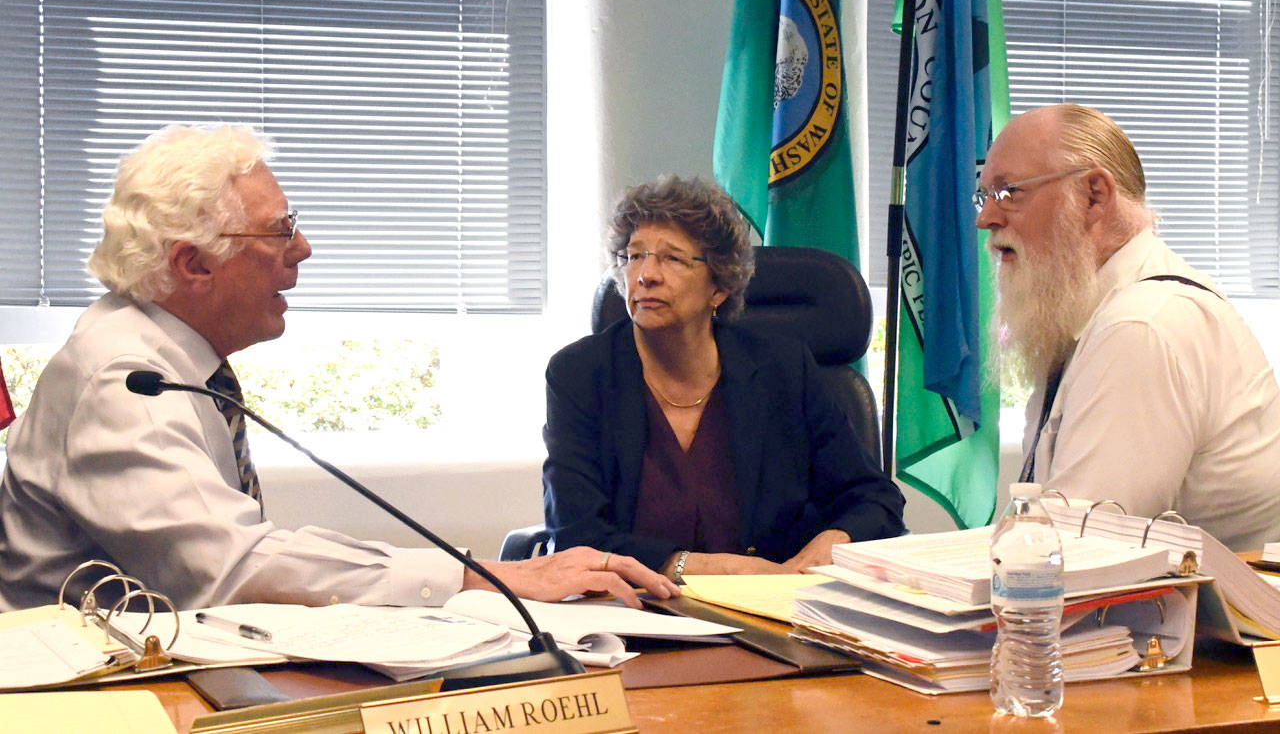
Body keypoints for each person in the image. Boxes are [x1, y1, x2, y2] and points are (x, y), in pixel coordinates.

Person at [0, 124, 678, 611]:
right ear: (193, 264)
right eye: (278, 230)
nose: (304, 248)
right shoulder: (124, 380)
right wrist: (487, 577)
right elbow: (231, 566)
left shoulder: (168, 357)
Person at [542, 176, 905, 580]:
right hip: (632, 612)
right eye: (634, 257)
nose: (646, 275)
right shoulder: (580, 375)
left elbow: (875, 500)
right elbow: (576, 535)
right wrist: (697, 567)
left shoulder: (782, 369)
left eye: (672, 259)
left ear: (719, 286)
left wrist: (836, 540)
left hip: (775, 609)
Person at [977, 103, 1280, 550]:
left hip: (1232, 620)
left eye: (1010, 192)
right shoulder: (1091, 315)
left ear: (1095, 195)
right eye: (983, 195)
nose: (986, 218)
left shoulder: (1142, 326)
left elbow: (1079, 557)